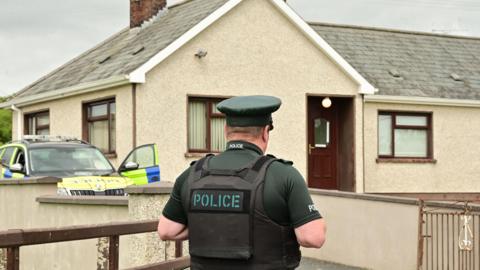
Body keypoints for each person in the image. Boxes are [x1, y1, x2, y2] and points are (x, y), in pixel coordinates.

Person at [158, 95, 326, 270]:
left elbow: (167, 230)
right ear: (265, 132)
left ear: (225, 131)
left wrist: (217, 226)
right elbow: (313, 237)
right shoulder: (283, 175)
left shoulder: (192, 174)